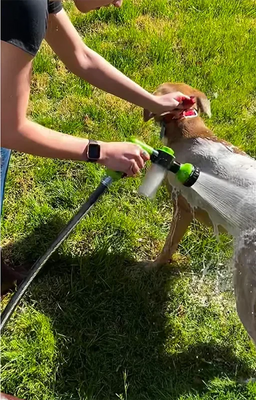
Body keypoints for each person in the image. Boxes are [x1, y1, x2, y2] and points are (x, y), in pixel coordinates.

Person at [1, 0, 191, 295]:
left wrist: (154, 103)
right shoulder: (22, 7)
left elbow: (81, 57)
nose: (119, 3)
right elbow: (8, 129)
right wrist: (100, 151)